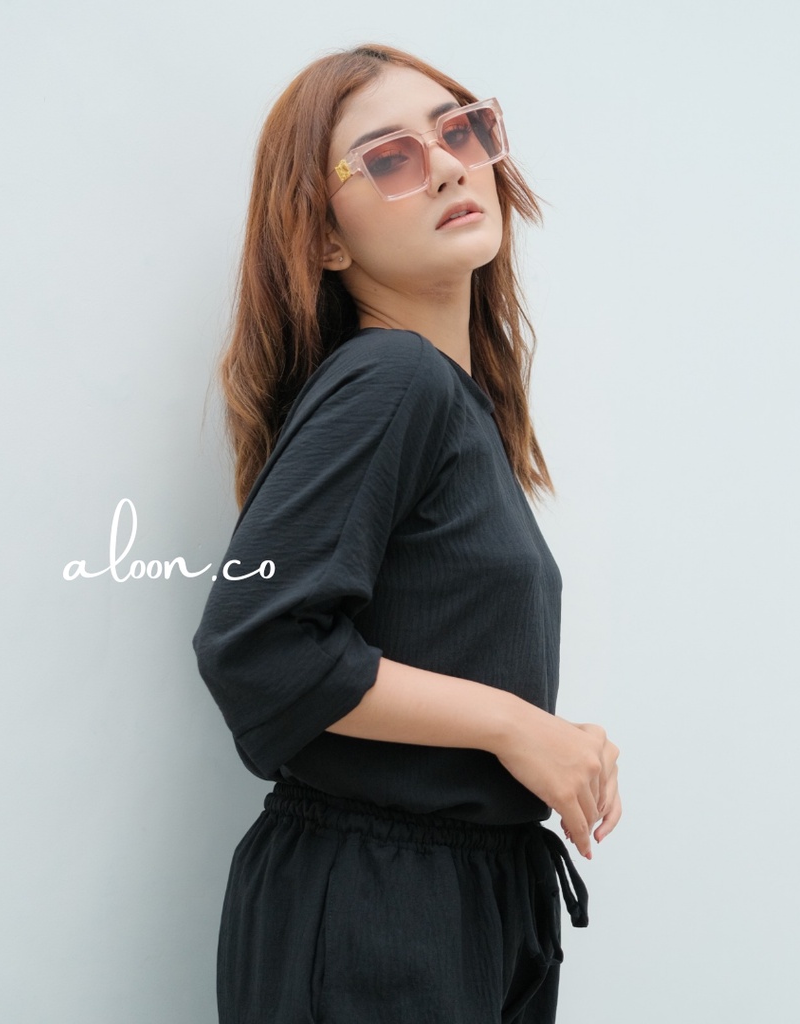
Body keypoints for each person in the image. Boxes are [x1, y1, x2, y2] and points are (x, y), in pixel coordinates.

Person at [192, 42, 622, 1024]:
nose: (445, 166)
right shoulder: (393, 380)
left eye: (460, 131)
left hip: (457, 897)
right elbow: (257, 644)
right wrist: (519, 727)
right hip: (377, 909)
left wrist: (548, 738)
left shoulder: (452, 403)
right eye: (388, 158)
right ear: (325, 239)